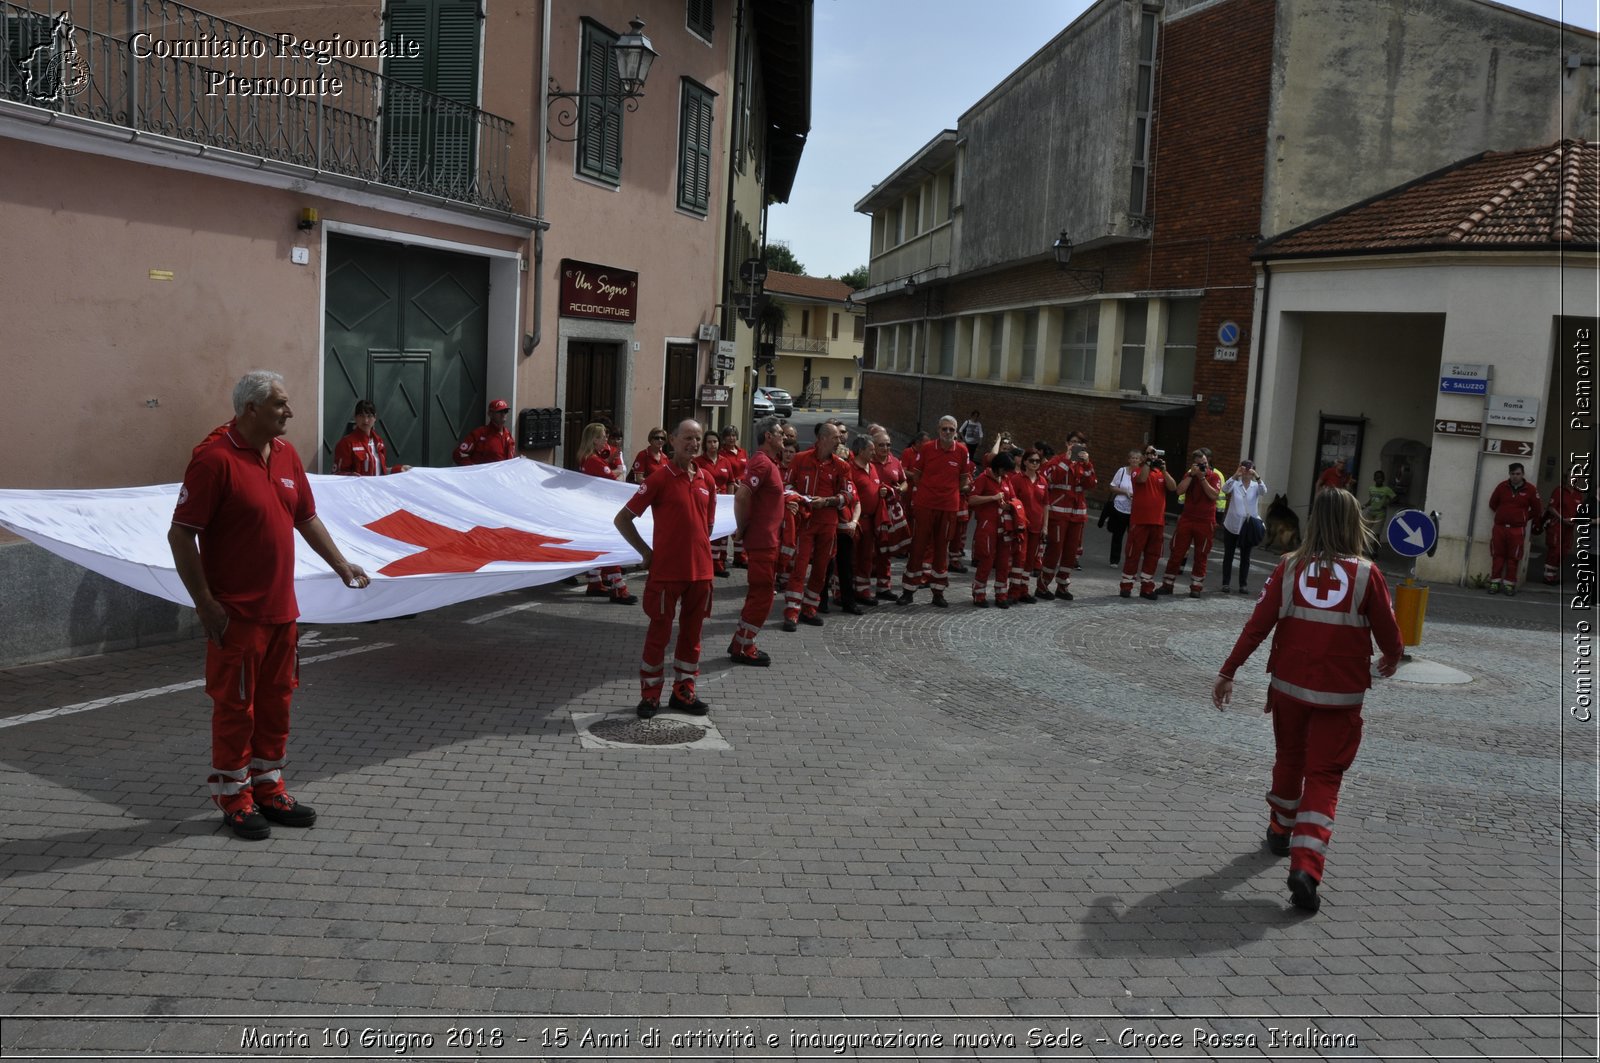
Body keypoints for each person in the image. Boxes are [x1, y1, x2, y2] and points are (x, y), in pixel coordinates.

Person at [168, 370, 372, 840]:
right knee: (235, 708)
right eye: (280, 404)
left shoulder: (286, 455)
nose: (290, 411)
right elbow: (181, 535)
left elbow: (307, 517)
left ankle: (267, 786)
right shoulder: (214, 459)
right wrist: (205, 604)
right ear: (250, 409)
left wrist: (341, 564)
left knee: (277, 702)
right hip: (236, 617)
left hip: (283, 613)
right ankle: (232, 795)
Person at [1212, 487, 1403, 914]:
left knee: (1289, 759)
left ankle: (1280, 829)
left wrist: (1228, 672)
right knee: (1324, 777)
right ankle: (1306, 867)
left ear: (1315, 521)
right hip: (1341, 695)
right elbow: (1390, 634)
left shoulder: (1289, 567)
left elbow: (1257, 625)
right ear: (1355, 523)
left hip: (1289, 688)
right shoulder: (1366, 574)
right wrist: (1390, 658)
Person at [613, 419, 716, 719]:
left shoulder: (707, 480)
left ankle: (684, 692)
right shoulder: (659, 478)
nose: (693, 444)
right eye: (687, 438)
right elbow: (623, 519)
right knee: (658, 636)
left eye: (697, 438)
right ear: (672, 440)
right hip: (666, 574)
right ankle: (650, 695)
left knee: (691, 636)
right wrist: (646, 552)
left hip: (701, 574)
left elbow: (706, 527)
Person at [781, 421, 852, 630]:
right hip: (805, 522)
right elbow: (786, 486)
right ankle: (791, 612)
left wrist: (828, 501)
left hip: (828, 523)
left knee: (821, 569)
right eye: (835, 438)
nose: (839, 441)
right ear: (822, 439)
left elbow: (848, 495)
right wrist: (799, 499)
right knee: (800, 568)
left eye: (839, 437)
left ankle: (810, 609)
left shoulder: (842, 466)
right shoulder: (800, 459)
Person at [728, 415, 788, 666]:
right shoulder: (762, 463)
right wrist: (741, 529)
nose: (785, 437)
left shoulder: (768, 463)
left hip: (767, 540)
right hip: (763, 541)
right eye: (780, 434)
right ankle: (744, 646)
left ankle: (741, 642)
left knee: (760, 594)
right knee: (762, 595)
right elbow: (742, 497)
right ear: (769, 437)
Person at [898, 416, 970, 608]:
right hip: (925, 505)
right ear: (938, 430)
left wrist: (948, 492)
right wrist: (931, 491)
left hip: (948, 507)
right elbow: (918, 475)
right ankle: (908, 590)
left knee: (941, 550)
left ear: (956, 431)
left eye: (951, 430)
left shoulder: (962, 451)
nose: (947, 433)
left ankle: (938, 591)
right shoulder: (928, 448)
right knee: (918, 547)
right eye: (944, 429)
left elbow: (964, 479)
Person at [576, 422, 636, 605]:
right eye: (602, 437)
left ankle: (594, 581)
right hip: (601, 509)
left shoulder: (588, 458)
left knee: (601, 545)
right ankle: (619, 588)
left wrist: (611, 464)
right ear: (594, 440)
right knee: (611, 546)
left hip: (595, 508)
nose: (605, 440)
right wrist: (618, 469)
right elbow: (614, 477)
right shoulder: (593, 460)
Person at [1160, 448, 1223, 597]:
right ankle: (1167, 585)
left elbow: (1213, 495)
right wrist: (1191, 475)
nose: (1203, 467)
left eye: (1205, 463)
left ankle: (1196, 587)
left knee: (1201, 555)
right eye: (1199, 464)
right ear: (1193, 464)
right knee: (1177, 552)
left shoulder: (1214, 476)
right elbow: (1179, 491)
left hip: (1206, 521)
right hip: (1187, 519)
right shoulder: (1189, 474)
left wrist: (1202, 478)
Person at [1040, 442, 1095, 600]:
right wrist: (1067, 460)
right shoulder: (1056, 461)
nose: (1076, 447)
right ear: (1067, 444)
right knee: (1054, 551)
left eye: (1081, 445)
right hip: (1059, 513)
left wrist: (1087, 465)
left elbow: (1090, 484)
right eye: (1073, 443)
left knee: (1071, 553)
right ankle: (1043, 586)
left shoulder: (1083, 464)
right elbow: (1051, 478)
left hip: (1076, 514)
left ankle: (1062, 586)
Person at [1120, 446, 1176, 599]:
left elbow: (1173, 487)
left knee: (1153, 555)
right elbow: (1142, 479)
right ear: (1143, 456)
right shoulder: (1137, 470)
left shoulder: (1160, 472)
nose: (1152, 456)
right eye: (1148, 453)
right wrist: (1148, 463)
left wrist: (1164, 470)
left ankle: (1146, 587)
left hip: (1157, 522)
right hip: (1140, 521)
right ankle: (1126, 585)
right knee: (1133, 553)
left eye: (1154, 453)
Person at [969, 451, 1018, 608]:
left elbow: (1013, 498)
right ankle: (979, 595)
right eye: (1005, 469)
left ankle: (1001, 595)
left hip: (1004, 526)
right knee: (987, 560)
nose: (1007, 473)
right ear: (998, 467)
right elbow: (972, 499)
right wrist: (992, 498)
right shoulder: (983, 478)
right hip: (988, 525)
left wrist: (1009, 505)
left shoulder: (1006, 479)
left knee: (1004, 563)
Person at [1487, 462, 1543, 595]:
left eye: (1518, 474)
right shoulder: (1502, 487)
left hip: (1517, 530)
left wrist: (1522, 518)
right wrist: (1504, 515)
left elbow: (1537, 509)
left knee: (1514, 558)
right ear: (1509, 474)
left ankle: (1509, 585)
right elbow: (1492, 503)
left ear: (1523, 474)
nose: (1515, 477)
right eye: (1512, 474)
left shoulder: (1530, 489)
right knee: (1497, 555)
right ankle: (1494, 583)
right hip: (1500, 528)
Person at [845, 434, 883, 609]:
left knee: (867, 557)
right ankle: (844, 591)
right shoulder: (850, 469)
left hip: (870, 520)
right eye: (871, 449)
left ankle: (863, 591)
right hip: (855, 520)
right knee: (851, 557)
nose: (874, 452)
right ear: (861, 451)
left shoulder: (873, 467)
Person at [1220, 460, 1268, 594]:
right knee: (1228, 555)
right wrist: (1236, 474)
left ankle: (1243, 584)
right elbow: (1224, 489)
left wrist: (1257, 476)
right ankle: (1225, 583)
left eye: (1249, 469)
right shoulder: (1235, 483)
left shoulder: (1255, 486)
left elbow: (1264, 491)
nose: (1246, 471)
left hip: (1247, 527)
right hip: (1232, 525)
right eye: (1244, 469)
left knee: (1245, 557)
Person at [1008, 449, 1049, 604]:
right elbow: (1011, 501)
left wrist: (1045, 527)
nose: (1034, 464)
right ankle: (1013, 591)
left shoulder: (1043, 481)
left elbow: (1046, 505)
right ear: (1024, 462)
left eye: (1037, 461)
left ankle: (1024, 590)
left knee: (1030, 561)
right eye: (1031, 460)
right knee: (1019, 559)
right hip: (1021, 527)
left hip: (1037, 527)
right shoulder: (1017, 479)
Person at [331, 399, 410, 476]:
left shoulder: (379, 442)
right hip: (357, 488)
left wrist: (398, 469)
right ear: (355, 417)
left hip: (376, 488)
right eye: (361, 416)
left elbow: (380, 472)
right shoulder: (346, 443)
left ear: (375, 417)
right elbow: (337, 475)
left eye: (369, 416)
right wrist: (351, 476)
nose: (365, 420)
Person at [695, 432, 736, 578]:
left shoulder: (725, 461)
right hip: (707, 502)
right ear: (705, 445)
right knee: (709, 533)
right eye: (709, 442)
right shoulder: (699, 462)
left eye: (715, 442)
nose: (713, 445)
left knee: (723, 534)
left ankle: (720, 562)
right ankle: (709, 563)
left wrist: (730, 499)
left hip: (723, 503)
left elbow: (730, 481)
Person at [1543, 475, 1585, 585]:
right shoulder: (1559, 491)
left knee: (1564, 551)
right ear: (1566, 478)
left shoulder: (1578, 494)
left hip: (1569, 527)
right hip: (1557, 525)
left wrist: (1575, 519)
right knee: (1555, 551)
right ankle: (1548, 577)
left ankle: (1553, 575)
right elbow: (1551, 508)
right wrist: (1562, 519)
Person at [454, 398, 517, 465]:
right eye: (499, 411)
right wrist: (474, 469)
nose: (503, 414)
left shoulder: (508, 435)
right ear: (490, 414)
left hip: (502, 474)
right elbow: (458, 454)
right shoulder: (479, 433)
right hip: (484, 474)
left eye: (505, 411)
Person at [720, 425, 749, 567]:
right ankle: (722, 556)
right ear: (723, 438)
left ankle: (740, 556)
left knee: (741, 524)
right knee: (727, 525)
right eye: (728, 435)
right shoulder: (722, 454)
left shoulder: (742, 452)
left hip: (744, 492)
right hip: (731, 492)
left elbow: (747, 470)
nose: (731, 438)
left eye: (733, 435)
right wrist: (736, 487)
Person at [1103, 449, 1138, 566]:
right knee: (1118, 534)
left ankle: (1131, 560)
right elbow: (1112, 487)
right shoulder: (1122, 471)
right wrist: (1125, 492)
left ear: (1141, 460)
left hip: (1135, 509)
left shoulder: (1142, 473)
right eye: (1132, 458)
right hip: (1120, 508)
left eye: (1137, 458)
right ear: (1129, 459)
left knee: (1134, 536)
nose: (1134, 460)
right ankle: (1114, 560)